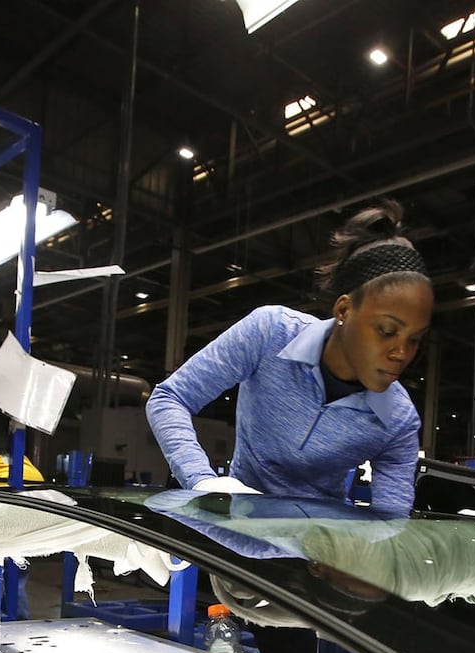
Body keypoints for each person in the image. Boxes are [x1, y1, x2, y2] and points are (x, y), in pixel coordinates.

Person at [146, 200, 433, 516]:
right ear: (344, 310)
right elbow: (169, 397)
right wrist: (202, 481)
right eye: (386, 330)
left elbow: (389, 525)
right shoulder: (270, 333)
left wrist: (356, 557)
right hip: (236, 541)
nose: (401, 353)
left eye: (415, 339)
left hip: (316, 554)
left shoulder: (398, 420)